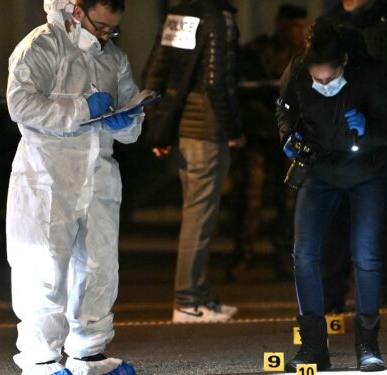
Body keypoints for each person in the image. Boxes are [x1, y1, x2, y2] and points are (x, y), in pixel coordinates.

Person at [5, 0, 141, 374]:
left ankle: (89, 353)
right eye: (101, 26)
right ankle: (40, 359)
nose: (106, 35)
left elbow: (133, 114)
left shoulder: (113, 57)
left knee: (99, 267)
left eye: (113, 29)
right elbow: (21, 105)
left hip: (98, 175)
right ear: (77, 11)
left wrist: (127, 122)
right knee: (43, 269)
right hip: (48, 176)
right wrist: (83, 109)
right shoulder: (42, 46)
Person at [277, 23, 387, 372]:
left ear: (344, 63)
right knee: (304, 254)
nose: (322, 84)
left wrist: (369, 130)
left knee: (365, 254)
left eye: (329, 78)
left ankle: (368, 344)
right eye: (315, 79)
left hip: (369, 172)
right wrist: (289, 139)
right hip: (319, 171)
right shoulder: (297, 70)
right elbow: (285, 108)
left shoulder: (373, 76)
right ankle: (313, 348)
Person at [316, 0, 387, 312]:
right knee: (336, 217)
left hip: (383, 134)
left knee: (385, 215)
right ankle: (334, 296)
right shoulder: (330, 22)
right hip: (338, 137)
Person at [142, 0, 245, 323]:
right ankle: (188, 300)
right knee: (200, 219)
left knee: (196, 216)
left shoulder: (177, 15)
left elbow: (155, 73)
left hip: (183, 128)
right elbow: (217, 81)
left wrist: (160, 130)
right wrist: (234, 129)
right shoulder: (218, 17)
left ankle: (198, 297)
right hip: (208, 128)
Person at [228, 4, 308, 280]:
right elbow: (243, 91)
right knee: (250, 201)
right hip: (260, 136)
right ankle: (243, 257)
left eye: (300, 25)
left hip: (290, 140)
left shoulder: (306, 56)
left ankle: (284, 259)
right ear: (280, 23)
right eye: (292, 25)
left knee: (288, 203)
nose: (296, 31)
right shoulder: (258, 52)